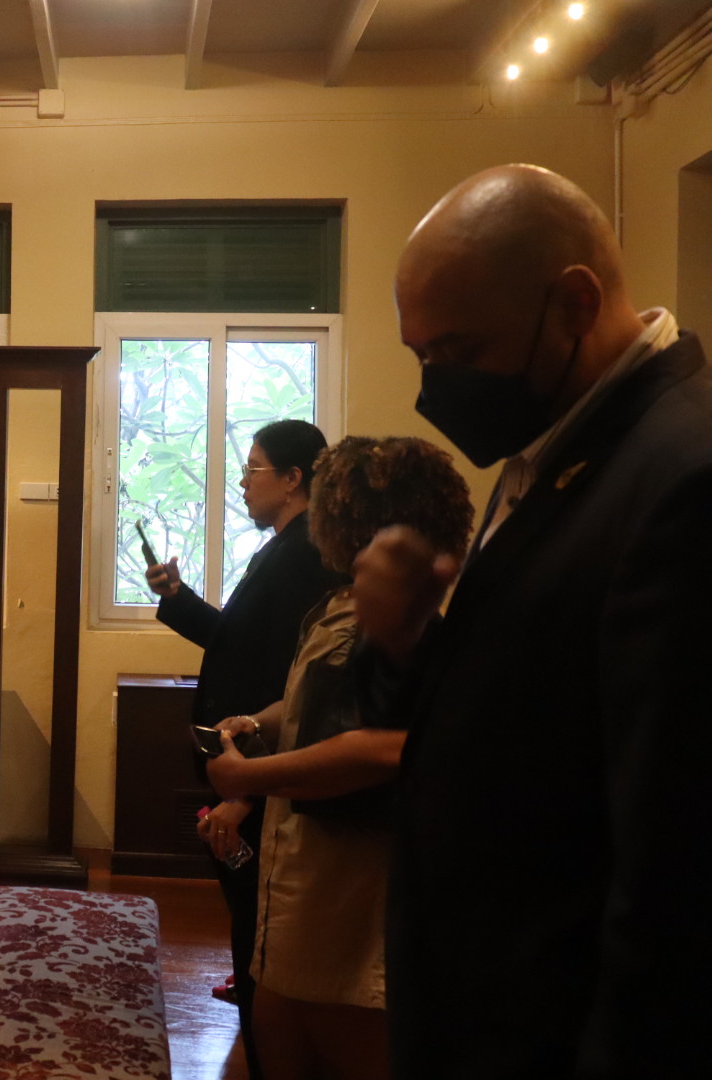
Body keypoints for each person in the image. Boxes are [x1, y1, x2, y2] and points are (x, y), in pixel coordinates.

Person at [353, 164, 712, 1077]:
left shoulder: (682, 475)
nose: (435, 388)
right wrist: (407, 643)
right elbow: (525, 721)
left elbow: (674, 871)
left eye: (459, 350)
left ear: (575, 304)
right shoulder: (547, 452)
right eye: (420, 355)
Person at [205, 436, 475, 1080]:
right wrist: (257, 723)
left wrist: (246, 777)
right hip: (299, 880)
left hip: (346, 892)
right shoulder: (337, 607)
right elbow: (306, 701)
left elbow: (373, 751)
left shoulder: (388, 630)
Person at [146, 418, 342, 1077]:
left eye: (253, 468)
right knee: (247, 920)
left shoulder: (306, 555)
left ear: (292, 479)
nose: (242, 481)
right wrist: (177, 598)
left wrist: (249, 791)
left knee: (258, 926)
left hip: (260, 772)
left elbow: (297, 688)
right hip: (246, 768)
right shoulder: (280, 549)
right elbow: (237, 642)